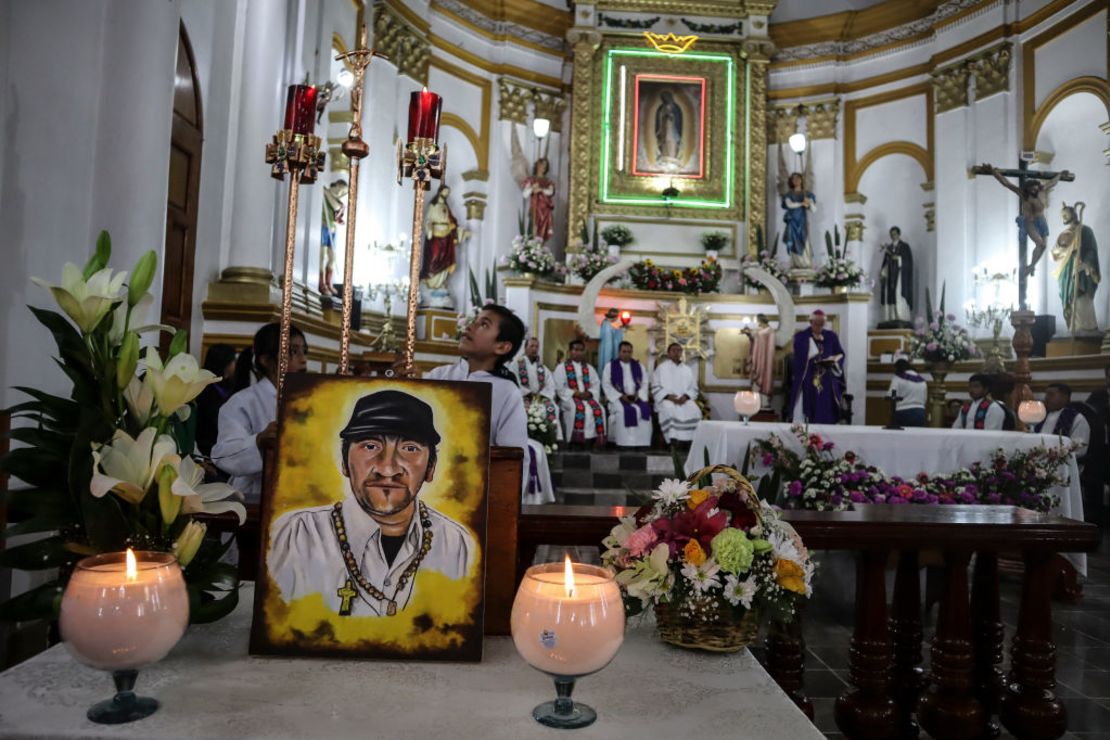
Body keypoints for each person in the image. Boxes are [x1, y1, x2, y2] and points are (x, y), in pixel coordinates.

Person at [268, 390, 477, 617]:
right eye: (370, 446)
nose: (387, 469)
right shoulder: (295, 536)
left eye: (410, 448)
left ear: (430, 468)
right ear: (345, 462)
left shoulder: (458, 545)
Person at [425, 305, 553, 504]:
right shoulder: (438, 376)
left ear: (502, 347)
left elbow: (513, 460)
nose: (470, 327)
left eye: (483, 324)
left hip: (474, 497)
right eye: (474, 321)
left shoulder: (506, 392)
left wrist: (503, 505)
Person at [212, 323, 308, 501]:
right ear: (266, 360)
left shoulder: (309, 399)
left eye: (304, 351)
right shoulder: (243, 402)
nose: (303, 359)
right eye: (293, 351)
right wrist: (258, 441)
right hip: (255, 496)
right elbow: (224, 454)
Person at [985, 164, 1070, 277]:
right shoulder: (1023, 194)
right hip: (1030, 221)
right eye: (1032, 188)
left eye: (1036, 187)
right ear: (1027, 189)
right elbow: (1006, 183)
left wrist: (1059, 175)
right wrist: (993, 172)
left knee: (1043, 246)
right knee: (1039, 243)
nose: (1034, 189)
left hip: (1041, 220)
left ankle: (1031, 266)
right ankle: (1030, 267)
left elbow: (1052, 183)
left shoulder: (1041, 190)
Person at [1050, 202, 1101, 336]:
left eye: (1066, 214)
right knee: (1069, 299)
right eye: (1063, 216)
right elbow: (1054, 253)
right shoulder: (1065, 234)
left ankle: (1086, 326)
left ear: (1073, 214)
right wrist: (1060, 248)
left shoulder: (1085, 230)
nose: (1064, 217)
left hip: (1081, 269)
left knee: (1080, 296)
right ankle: (1073, 327)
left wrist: (1086, 264)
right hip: (1066, 272)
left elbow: (1091, 250)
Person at [788, 310, 844, 424]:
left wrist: (833, 361)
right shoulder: (801, 336)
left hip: (827, 377)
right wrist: (812, 348)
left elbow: (840, 353)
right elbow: (799, 357)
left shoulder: (831, 336)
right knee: (808, 403)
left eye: (822, 324)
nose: (819, 326)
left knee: (827, 404)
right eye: (816, 324)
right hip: (808, 377)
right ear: (811, 322)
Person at [554, 339, 605, 448]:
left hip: (587, 398)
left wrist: (590, 393)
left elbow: (596, 384)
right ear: (570, 351)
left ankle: (593, 440)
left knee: (599, 409)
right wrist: (574, 393)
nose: (578, 352)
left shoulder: (589, 368)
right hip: (569, 398)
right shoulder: (561, 368)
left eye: (581, 350)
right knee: (577, 408)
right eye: (576, 350)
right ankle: (575, 441)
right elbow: (559, 387)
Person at [601, 341, 652, 448]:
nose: (627, 354)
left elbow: (645, 382)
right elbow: (606, 384)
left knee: (644, 410)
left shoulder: (639, 366)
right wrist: (620, 396)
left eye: (629, 352)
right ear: (619, 352)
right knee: (623, 411)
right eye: (624, 351)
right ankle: (623, 443)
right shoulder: (610, 366)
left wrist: (639, 395)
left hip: (636, 398)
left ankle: (641, 442)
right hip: (618, 398)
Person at [652, 342, 701, 445]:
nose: (676, 353)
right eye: (673, 350)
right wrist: (669, 396)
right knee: (669, 411)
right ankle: (673, 440)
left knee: (695, 410)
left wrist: (686, 396)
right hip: (667, 399)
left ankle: (690, 440)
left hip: (684, 400)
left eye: (679, 350)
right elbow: (655, 387)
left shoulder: (687, 370)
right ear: (668, 353)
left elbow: (694, 388)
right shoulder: (661, 368)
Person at [513, 336, 561, 441]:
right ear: (525, 348)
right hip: (523, 398)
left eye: (537, 346)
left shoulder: (542, 368)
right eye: (531, 346)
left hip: (540, 398)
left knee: (553, 408)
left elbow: (550, 385)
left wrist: (542, 395)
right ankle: (525, 438)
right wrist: (527, 393)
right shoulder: (516, 365)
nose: (534, 349)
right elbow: (513, 383)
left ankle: (548, 439)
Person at [195, 344, 237, 459]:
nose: (235, 365)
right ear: (226, 364)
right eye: (234, 361)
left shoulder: (229, 386)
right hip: (209, 450)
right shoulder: (206, 390)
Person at [420, 185, 459, 308]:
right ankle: (431, 283)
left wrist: (453, 228)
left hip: (446, 235)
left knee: (445, 259)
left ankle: (440, 284)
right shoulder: (433, 206)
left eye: (448, 192)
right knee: (434, 258)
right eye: (445, 191)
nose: (446, 193)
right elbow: (427, 220)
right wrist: (429, 228)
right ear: (440, 191)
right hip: (436, 234)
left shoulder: (445, 207)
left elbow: (453, 221)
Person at [1032, 383, 1091, 458]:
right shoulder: (1042, 415)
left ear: (1064, 397)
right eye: (1046, 394)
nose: (1046, 398)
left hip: (1063, 463)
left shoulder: (1077, 419)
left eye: (1051, 395)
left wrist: (1054, 456)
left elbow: (1079, 450)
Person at [878, 227, 914, 327]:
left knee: (898, 295)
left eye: (894, 234)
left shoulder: (905, 247)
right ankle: (891, 317)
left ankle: (901, 316)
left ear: (899, 234)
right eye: (891, 234)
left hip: (900, 278)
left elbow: (908, 263)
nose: (893, 236)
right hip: (890, 277)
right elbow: (885, 263)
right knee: (890, 296)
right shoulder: (888, 248)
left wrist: (898, 259)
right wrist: (882, 273)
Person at [781, 171, 816, 270]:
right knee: (793, 241)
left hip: (802, 222)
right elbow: (789, 205)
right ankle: (796, 264)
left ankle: (805, 264)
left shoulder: (807, 194)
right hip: (792, 222)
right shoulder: (789, 194)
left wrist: (809, 203)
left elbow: (814, 210)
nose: (796, 181)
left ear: (802, 180)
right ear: (791, 181)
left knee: (804, 240)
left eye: (798, 178)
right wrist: (801, 204)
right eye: (794, 179)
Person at [319, 180, 347, 297]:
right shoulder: (324, 195)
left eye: (344, 192)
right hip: (324, 227)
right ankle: (322, 283)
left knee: (332, 257)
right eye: (341, 190)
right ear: (336, 186)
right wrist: (326, 193)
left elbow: (337, 206)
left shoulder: (335, 200)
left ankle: (329, 282)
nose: (341, 193)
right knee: (322, 256)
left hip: (333, 230)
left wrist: (327, 193)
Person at [522, 157, 555, 243]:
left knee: (543, 232)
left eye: (545, 166)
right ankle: (534, 248)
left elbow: (550, 192)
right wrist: (532, 188)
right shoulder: (531, 180)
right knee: (534, 230)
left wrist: (541, 189)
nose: (543, 167)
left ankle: (540, 249)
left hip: (545, 210)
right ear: (537, 165)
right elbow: (525, 194)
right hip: (535, 208)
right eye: (542, 165)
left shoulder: (548, 182)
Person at [887, 358, 927, 427]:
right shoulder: (922, 381)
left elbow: (891, 395)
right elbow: (925, 399)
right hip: (920, 413)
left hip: (902, 411)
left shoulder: (898, 378)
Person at [598, 307, 624, 377]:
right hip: (606, 346)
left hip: (616, 346)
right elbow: (603, 335)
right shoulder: (605, 322)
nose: (613, 317)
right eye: (612, 315)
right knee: (606, 360)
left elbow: (620, 336)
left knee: (616, 361)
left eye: (615, 316)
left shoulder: (618, 323)